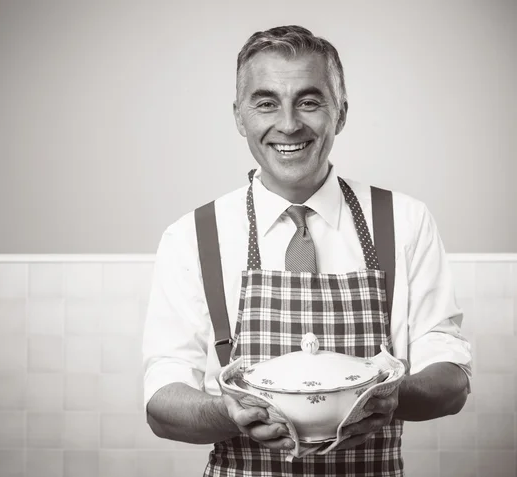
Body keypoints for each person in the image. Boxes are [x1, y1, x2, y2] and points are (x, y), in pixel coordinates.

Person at [142, 25, 472, 476]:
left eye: (309, 101)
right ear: (240, 116)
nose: (289, 123)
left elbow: (452, 382)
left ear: (340, 113)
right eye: (265, 103)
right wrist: (229, 414)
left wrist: (393, 397)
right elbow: (161, 403)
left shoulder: (405, 222)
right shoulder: (192, 236)